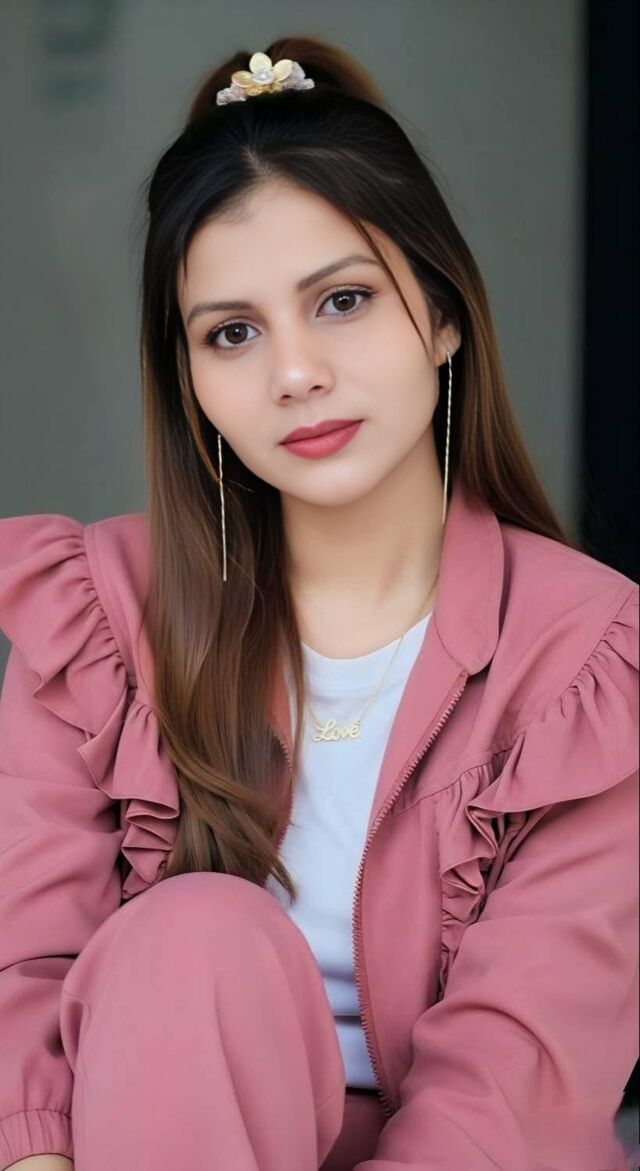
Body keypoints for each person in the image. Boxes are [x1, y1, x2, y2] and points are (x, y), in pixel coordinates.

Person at [0, 34, 638, 1171]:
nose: (293, 373)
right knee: (194, 933)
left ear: (443, 314)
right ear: (191, 382)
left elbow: (520, 1086)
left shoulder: (590, 660)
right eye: (232, 333)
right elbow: (26, 983)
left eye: (342, 300)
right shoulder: (97, 619)